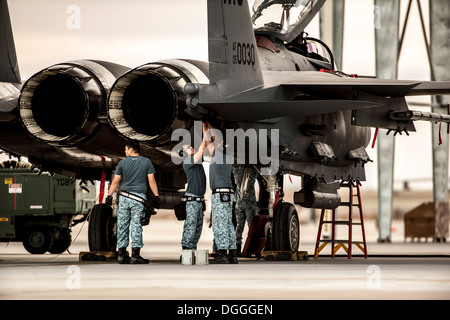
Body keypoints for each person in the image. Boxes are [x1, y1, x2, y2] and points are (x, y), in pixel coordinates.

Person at [106, 141, 159, 264]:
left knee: (122, 225)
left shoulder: (122, 163)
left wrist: (109, 195)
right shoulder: (146, 162)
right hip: (138, 199)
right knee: (136, 225)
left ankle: (122, 255)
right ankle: (135, 255)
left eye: (126, 149)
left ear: (131, 150)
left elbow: (115, 182)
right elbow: (151, 181)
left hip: (124, 198)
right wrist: (156, 196)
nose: (125, 152)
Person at [204, 123, 238, 264]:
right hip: (228, 194)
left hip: (220, 194)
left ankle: (223, 254)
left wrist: (206, 130)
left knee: (219, 224)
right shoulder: (229, 157)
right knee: (228, 224)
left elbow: (209, 142)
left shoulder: (218, 154)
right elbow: (215, 141)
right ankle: (232, 254)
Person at [179, 134, 207, 251]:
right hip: (193, 199)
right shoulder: (187, 161)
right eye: (188, 148)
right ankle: (186, 249)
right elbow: (200, 152)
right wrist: (205, 136)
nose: (191, 148)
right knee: (191, 226)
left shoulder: (196, 161)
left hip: (199, 200)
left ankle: (192, 249)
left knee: (198, 227)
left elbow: (203, 151)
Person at [232, 166, 258, 255]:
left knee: (239, 226)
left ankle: (237, 249)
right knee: (252, 227)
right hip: (249, 202)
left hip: (239, 202)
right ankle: (252, 248)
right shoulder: (251, 171)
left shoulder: (235, 170)